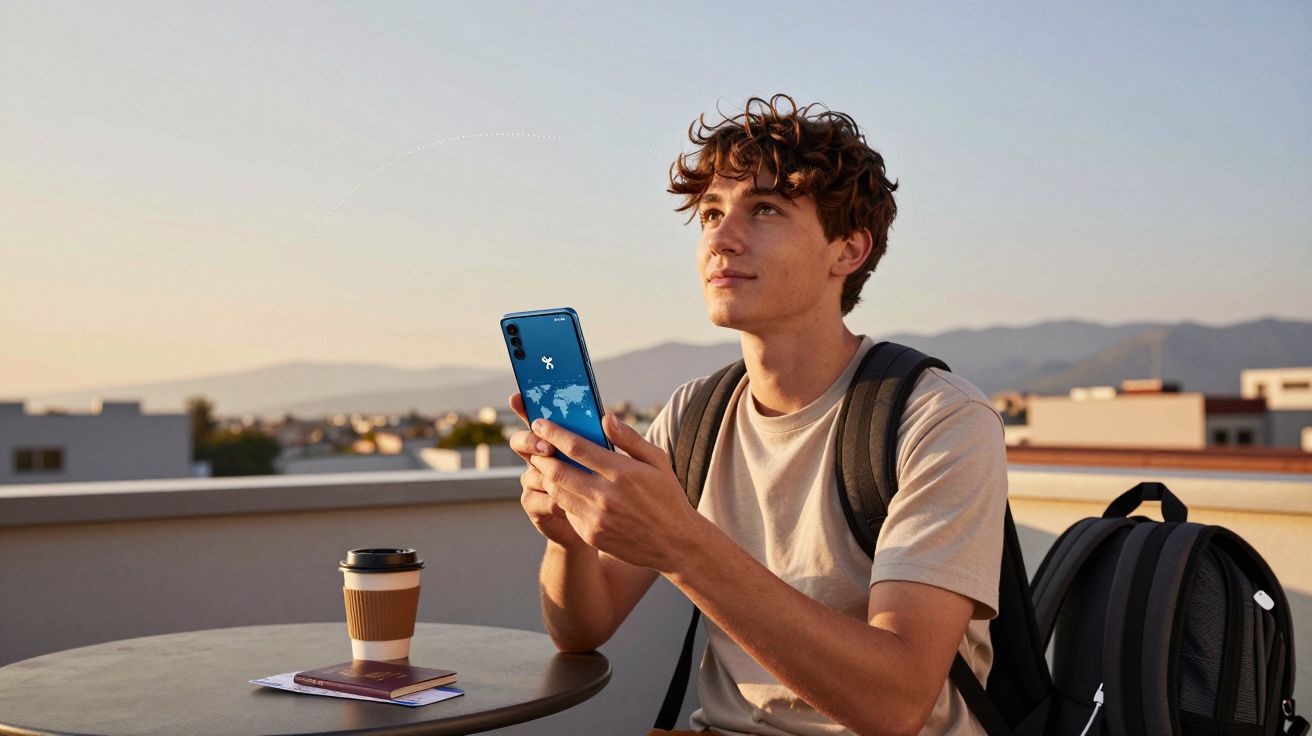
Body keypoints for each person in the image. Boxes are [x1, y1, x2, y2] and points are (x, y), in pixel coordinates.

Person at [506, 94, 1007, 736]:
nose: (720, 236)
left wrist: (683, 546)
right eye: (711, 212)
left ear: (848, 250)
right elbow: (583, 629)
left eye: (764, 209)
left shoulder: (938, 417)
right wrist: (569, 537)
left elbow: (897, 704)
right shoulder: (697, 413)